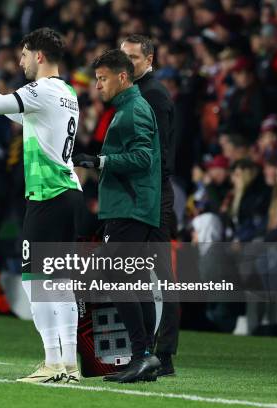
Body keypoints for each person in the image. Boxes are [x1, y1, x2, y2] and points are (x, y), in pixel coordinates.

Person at [0, 27, 83, 383]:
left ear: (39, 56)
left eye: (24, 54)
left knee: (35, 281)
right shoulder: (66, 91)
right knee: (60, 281)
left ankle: (52, 363)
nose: (20, 61)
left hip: (48, 194)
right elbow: (20, 114)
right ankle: (69, 363)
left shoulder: (40, 89)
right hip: (70, 192)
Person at [75, 49, 161, 383]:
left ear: (122, 78)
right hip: (130, 206)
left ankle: (142, 354)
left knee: (115, 278)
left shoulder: (134, 110)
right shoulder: (128, 109)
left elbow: (142, 157)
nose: (97, 86)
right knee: (135, 283)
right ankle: (145, 358)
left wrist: (101, 162)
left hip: (131, 208)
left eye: (102, 78)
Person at [121, 34, 180, 377]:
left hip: (153, 193)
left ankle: (165, 353)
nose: (127, 63)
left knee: (159, 274)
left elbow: (158, 155)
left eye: (133, 57)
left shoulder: (153, 95)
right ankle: (150, 352)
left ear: (149, 59)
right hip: (144, 192)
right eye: (123, 56)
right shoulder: (138, 93)